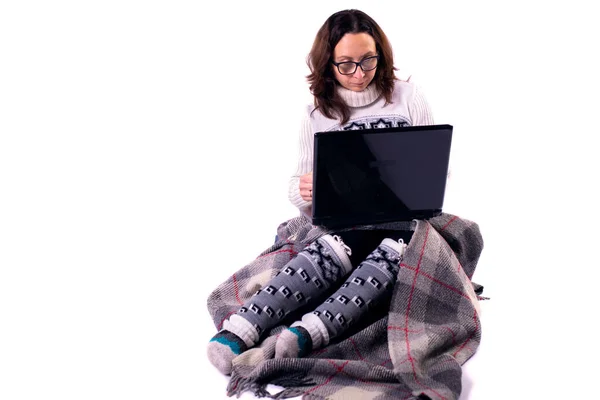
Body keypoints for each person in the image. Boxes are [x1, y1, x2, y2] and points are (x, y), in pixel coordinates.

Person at [207, 9, 434, 375]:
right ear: (328, 63)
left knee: (390, 258)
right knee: (325, 254)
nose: (359, 74)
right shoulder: (317, 112)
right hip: (346, 224)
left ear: (381, 54)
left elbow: (438, 165)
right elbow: (297, 185)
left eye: (368, 61)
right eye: (346, 64)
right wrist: (303, 189)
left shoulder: (408, 97)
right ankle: (240, 328)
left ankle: (308, 332)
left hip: (403, 221)